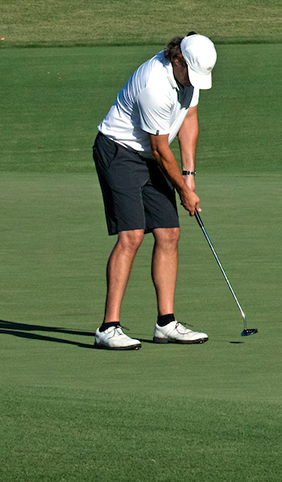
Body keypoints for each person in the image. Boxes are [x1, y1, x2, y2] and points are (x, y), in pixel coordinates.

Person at [91, 33, 218, 349]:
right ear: (178, 60)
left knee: (169, 233)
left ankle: (166, 323)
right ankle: (108, 327)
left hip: (151, 154)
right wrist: (184, 193)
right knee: (132, 235)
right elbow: (160, 149)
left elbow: (189, 118)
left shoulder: (189, 78)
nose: (195, 82)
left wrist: (189, 175)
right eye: (192, 74)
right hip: (120, 151)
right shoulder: (155, 86)